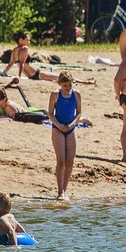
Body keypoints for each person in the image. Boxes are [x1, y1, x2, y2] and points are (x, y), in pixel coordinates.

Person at [48, 72, 82, 201]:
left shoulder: (76, 94)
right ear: (60, 84)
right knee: (61, 161)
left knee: (70, 161)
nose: (68, 87)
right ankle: (60, 191)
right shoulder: (55, 95)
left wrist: (73, 124)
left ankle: (65, 189)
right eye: (65, 85)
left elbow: (79, 113)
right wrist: (59, 125)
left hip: (71, 128)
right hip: (58, 128)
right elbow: (50, 113)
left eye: (69, 84)